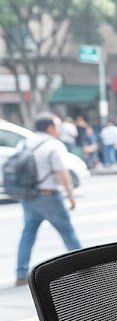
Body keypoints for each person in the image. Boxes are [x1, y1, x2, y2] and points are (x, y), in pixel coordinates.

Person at [15, 113, 82, 286]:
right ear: (50, 127)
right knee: (67, 232)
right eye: (58, 125)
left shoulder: (25, 143)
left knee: (28, 233)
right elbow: (61, 172)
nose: (59, 129)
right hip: (49, 196)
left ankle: (21, 272)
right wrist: (70, 195)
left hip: (29, 196)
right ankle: (83, 266)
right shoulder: (53, 145)